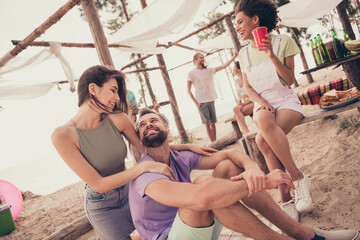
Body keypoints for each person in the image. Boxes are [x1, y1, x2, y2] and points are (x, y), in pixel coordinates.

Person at [128, 108, 359, 240]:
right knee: (205, 186)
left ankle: (298, 232)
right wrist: (265, 181)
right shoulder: (144, 175)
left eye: (154, 120)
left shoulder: (179, 157)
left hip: (197, 229)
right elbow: (203, 199)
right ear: (139, 138)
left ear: (167, 130)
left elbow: (230, 156)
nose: (148, 123)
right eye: (143, 124)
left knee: (226, 170)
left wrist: (253, 168)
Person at [51, 65, 217, 240]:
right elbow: (99, 183)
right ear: (93, 89)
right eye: (113, 90)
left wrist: (187, 147)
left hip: (130, 190)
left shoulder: (117, 119)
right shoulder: (62, 136)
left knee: (150, 234)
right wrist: (142, 168)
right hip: (102, 203)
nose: (117, 97)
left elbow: (147, 146)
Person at [234, 0, 312, 221]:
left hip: (286, 100)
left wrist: (270, 54)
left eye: (240, 22)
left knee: (262, 142)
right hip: (263, 102)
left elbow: (289, 80)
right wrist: (260, 102)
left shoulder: (283, 41)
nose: (237, 27)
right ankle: (297, 179)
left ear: (255, 19)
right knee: (263, 118)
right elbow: (247, 87)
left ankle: (287, 196)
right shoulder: (243, 53)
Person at [187, 53, 237, 142]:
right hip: (201, 102)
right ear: (195, 60)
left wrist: (234, 57)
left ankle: (215, 141)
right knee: (207, 124)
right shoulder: (191, 73)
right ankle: (212, 142)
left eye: (203, 58)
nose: (203, 59)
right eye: (200, 58)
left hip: (210, 99)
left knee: (213, 123)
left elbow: (224, 66)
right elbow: (188, 90)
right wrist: (196, 103)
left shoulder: (209, 70)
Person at [232, 61, 254, 135]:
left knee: (236, 115)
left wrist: (250, 99)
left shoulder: (248, 77)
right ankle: (247, 132)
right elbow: (238, 95)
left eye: (234, 67)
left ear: (238, 69)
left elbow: (256, 91)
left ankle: (247, 131)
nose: (232, 69)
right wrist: (239, 101)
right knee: (235, 109)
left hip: (252, 101)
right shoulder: (236, 80)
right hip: (243, 103)